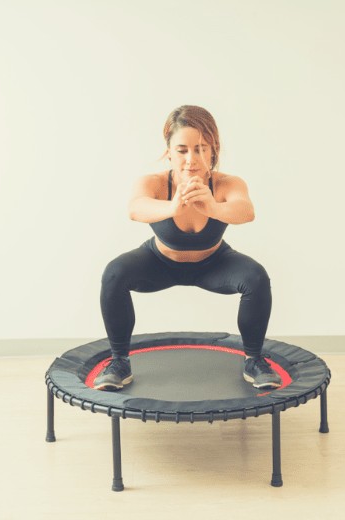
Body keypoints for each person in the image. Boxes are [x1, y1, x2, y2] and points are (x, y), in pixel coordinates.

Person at [95, 105, 281, 391]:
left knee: (256, 277)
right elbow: (135, 208)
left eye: (201, 149)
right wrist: (172, 206)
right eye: (182, 150)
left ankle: (254, 360)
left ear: (213, 150)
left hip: (214, 264)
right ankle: (119, 361)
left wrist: (212, 206)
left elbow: (246, 211)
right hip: (159, 263)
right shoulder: (154, 183)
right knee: (113, 274)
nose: (191, 159)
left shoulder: (226, 184)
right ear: (168, 151)